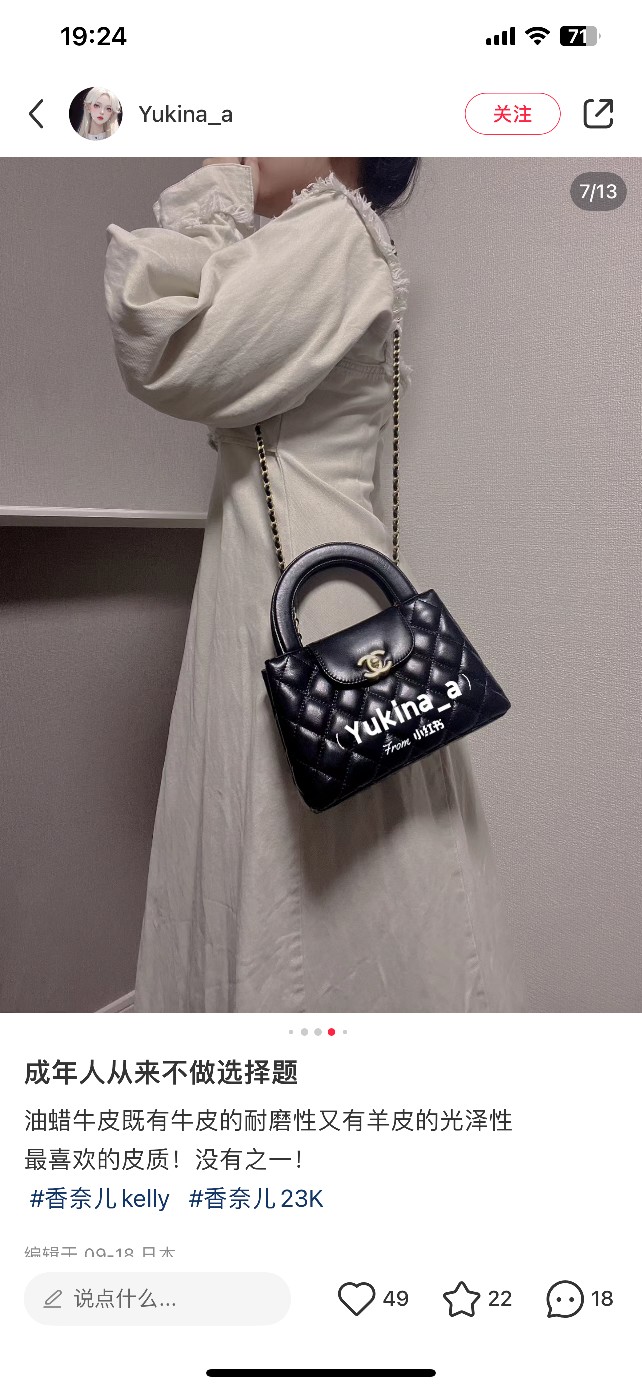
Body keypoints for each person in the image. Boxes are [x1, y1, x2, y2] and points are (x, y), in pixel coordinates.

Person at [104, 157, 521, 1012]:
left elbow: (164, 341)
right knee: (329, 873)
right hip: (309, 582)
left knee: (312, 882)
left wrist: (220, 186)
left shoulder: (331, 232)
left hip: (300, 593)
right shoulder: (322, 238)